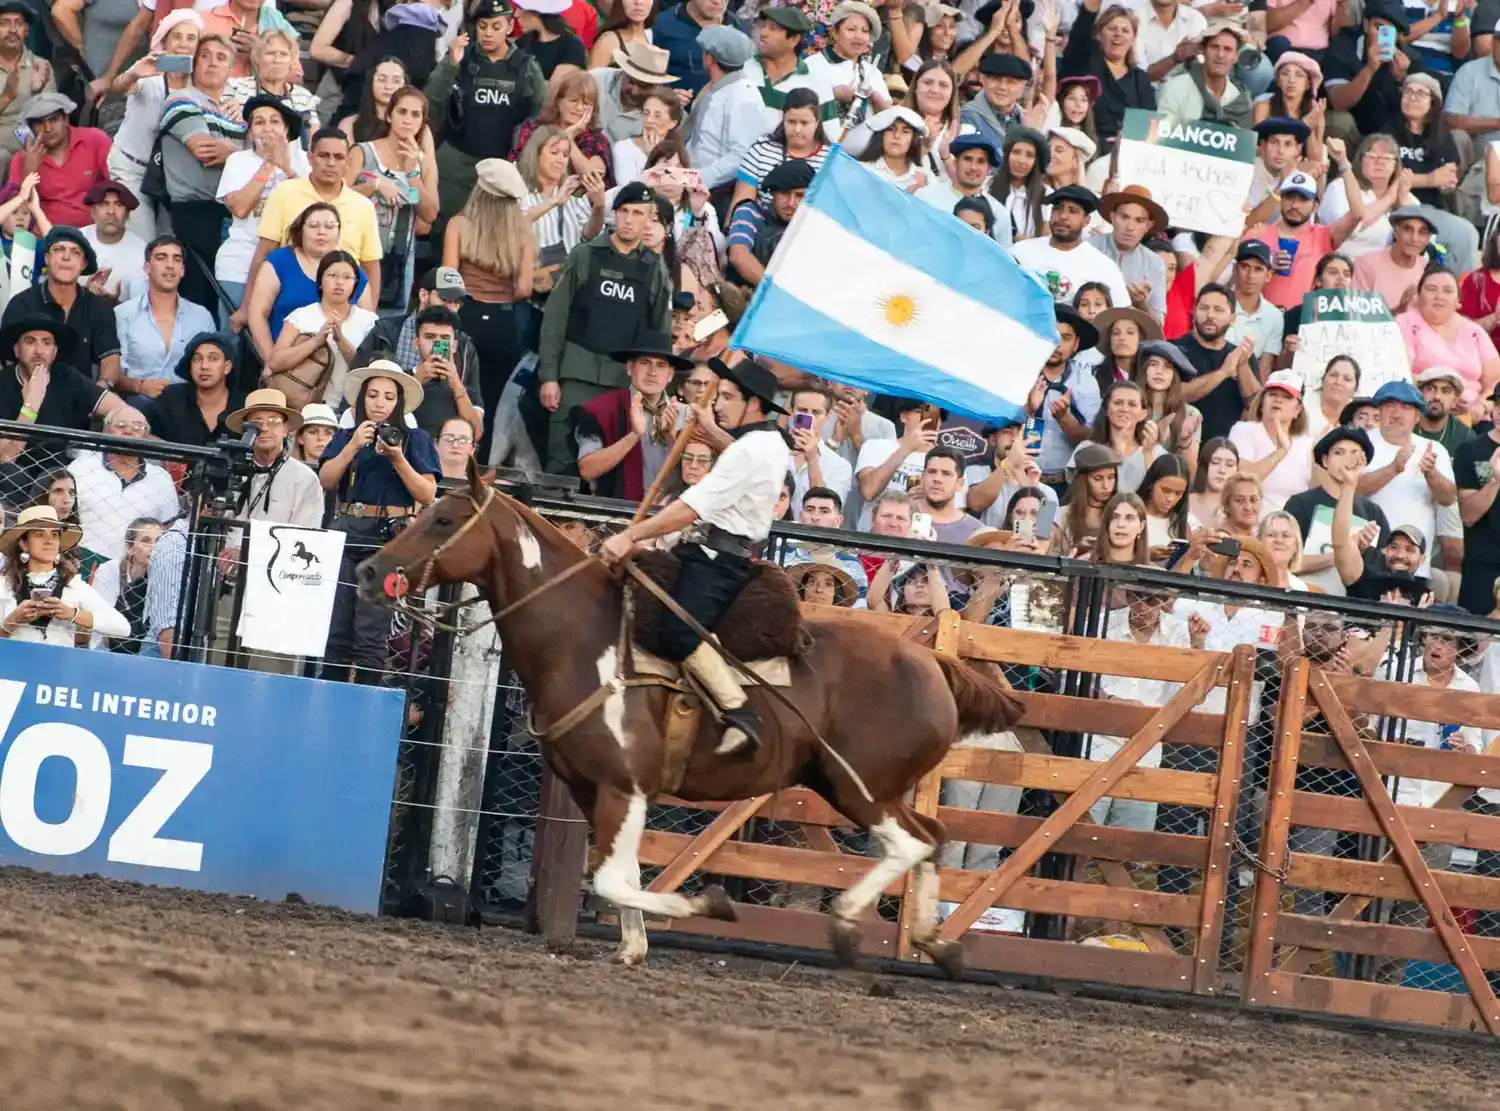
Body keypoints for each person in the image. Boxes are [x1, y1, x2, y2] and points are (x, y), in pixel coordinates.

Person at [598, 358, 790, 756]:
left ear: (753, 404)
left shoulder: (751, 451)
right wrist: (714, 430)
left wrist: (630, 535)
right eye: (718, 396)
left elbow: (688, 509)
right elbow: (738, 453)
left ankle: (739, 711)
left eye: (727, 397)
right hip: (707, 549)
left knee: (678, 631)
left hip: (715, 560)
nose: (718, 403)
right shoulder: (770, 442)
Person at [318, 359, 440, 684]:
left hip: (388, 541)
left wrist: (398, 458)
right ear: (361, 399)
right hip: (347, 533)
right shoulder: (347, 435)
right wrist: (354, 445)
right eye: (373, 395)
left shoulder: (415, 439)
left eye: (388, 396)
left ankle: (364, 713)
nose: (380, 403)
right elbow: (326, 479)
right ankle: (330, 707)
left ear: (399, 402)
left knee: (371, 636)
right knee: (336, 634)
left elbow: (428, 493)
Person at [441, 158, 540, 458]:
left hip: (466, 316)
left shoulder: (459, 224)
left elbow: (449, 279)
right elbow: (524, 288)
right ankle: (481, 462)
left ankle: (450, 455)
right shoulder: (521, 230)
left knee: (457, 390)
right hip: (503, 322)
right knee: (493, 399)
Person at [427, 0, 547, 225]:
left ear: (510, 27)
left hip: (500, 164)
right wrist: (451, 64)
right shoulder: (461, 56)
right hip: (456, 161)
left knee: (491, 232)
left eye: (496, 26)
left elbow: (537, 114)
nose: (488, 34)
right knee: (445, 228)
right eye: (482, 27)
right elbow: (431, 99)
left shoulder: (526, 66)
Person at [246, 128, 383, 317]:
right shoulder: (285, 192)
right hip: (289, 300)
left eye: (338, 157)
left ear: (348, 163)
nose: (331, 163)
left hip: (345, 307)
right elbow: (264, 251)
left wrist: (370, 317)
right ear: (310, 158)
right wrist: (246, 307)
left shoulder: (363, 206)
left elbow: (371, 266)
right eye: (324, 155)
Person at [158, 34, 245, 314]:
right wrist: (242, 152)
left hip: (232, 215)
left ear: (231, 69)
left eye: (221, 58)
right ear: (194, 64)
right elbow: (205, 151)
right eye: (205, 55)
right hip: (194, 215)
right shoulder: (180, 99)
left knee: (230, 304)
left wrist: (232, 151)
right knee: (199, 301)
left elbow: (260, 158)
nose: (212, 63)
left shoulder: (239, 111)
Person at [103, 11, 202, 244]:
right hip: (132, 169)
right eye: (177, 37)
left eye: (191, 38)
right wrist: (133, 74)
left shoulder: (199, 83)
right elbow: (117, 87)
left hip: (170, 176)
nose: (183, 44)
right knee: (144, 239)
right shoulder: (148, 72)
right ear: (165, 41)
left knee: (170, 242)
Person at [215, 94, 310, 323]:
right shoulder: (238, 161)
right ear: (250, 132)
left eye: (275, 121)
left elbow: (310, 212)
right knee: (233, 341)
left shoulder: (305, 162)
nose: (267, 128)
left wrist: (287, 169)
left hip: (289, 266)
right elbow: (239, 208)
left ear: (286, 130)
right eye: (259, 122)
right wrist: (268, 165)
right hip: (239, 263)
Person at [346, 85, 439, 311]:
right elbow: (337, 196)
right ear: (389, 115)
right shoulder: (363, 152)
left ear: (422, 122)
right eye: (402, 112)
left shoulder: (423, 162)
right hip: (355, 253)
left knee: (388, 329)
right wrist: (375, 186)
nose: (408, 120)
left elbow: (429, 214)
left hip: (398, 261)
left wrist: (413, 176)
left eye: (415, 115)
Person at [243, 202, 369, 363]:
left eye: (330, 226)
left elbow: (367, 323)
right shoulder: (280, 261)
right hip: (287, 363)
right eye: (314, 226)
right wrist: (270, 362)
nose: (322, 232)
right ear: (301, 230)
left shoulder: (352, 269)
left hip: (341, 364)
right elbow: (257, 314)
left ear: (338, 233)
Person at [0, 317, 125, 479]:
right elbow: (5, 458)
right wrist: (32, 404)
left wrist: (131, 425)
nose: (39, 350)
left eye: (46, 343)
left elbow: (120, 408)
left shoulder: (66, 376)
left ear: (55, 351)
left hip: (61, 475)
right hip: (14, 478)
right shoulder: (3, 383)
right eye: (30, 342)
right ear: (17, 350)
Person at [573, 330, 690, 498]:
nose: (652, 372)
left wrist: (671, 438)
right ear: (630, 368)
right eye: (645, 362)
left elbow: (696, 474)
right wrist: (634, 435)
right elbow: (587, 470)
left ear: (670, 375)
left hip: (669, 515)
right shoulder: (601, 409)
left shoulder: (687, 415)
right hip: (615, 514)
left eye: (661, 365)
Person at [1358, 378, 1455, 576]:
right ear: (1380, 411)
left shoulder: (1434, 449)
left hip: (1413, 564)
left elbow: (1448, 498)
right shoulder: (1360, 441)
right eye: (1390, 405)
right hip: (1363, 558)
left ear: (1417, 417)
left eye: (1406, 407)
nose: (1397, 413)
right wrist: (1393, 468)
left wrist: (1432, 473)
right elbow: (1349, 490)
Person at [1, 226, 121, 384]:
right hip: (27, 396)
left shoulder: (98, 307)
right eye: (58, 249)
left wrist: (103, 387)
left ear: (84, 263)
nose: (66, 257)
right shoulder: (21, 304)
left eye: (75, 252)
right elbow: (6, 362)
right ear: (46, 258)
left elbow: (110, 359)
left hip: (83, 401)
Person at [266, 249, 379, 410]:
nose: (339, 282)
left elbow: (371, 372)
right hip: (303, 408)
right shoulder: (301, 315)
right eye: (332, 275)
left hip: (351, 409)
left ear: (355, 284)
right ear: (320, 281)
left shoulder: (369, 321)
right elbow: (275, 362)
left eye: (347, 277)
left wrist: (341, 341)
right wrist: (315, 342)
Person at [0, 505, 128, 646]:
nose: (49, 541)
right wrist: (12, 620)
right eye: (39, 534)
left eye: (54, 535)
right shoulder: (4, 585)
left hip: (59, 665)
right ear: (24, 544)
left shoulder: (73, 585)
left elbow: (122, 628)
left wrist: (72, 614)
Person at [1286, 424, 1390, 596]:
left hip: (1355, 606)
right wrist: (1341, 553)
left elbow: (1381, 571)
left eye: (1354, 453)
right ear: (1325, 461)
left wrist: (1360, 552)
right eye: (1339, 453)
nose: (1346, 460)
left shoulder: (1372, 512)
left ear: (1363, 461)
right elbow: (1285, 563)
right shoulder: (1300, 503)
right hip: (1306, 600)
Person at [67, 406, 181, 562]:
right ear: (106, 431)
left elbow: (167, 528)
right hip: (83, 561)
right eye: (121, 426)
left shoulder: (161, 478)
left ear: (146, 436)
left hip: (137, 569)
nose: (128, 432)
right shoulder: (81, 467)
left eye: (137, 428)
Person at [113, 236, 218, 399]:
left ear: (182, 270)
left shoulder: (201, 317)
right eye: (161, 258)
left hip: (188, 406)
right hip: (137, 405)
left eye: (176, 260)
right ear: (146, 267)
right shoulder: (123, 314)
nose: (170, 265)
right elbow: (112, 375)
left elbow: (213, 370)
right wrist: (141, 386)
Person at [1398, 264, 1500, 418]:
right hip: (1420, 410)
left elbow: (1495, 381)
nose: (1439, 296)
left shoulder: (1474, 332)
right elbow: (1400, 372)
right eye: (1431, 289)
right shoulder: (1404, 323)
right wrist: (1442, 400)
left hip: (1473, 417)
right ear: (1418, 296)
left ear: (1458, 301)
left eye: (1448, 291)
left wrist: (1482, 406)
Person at [4, 93, 111, 231]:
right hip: (47, 238)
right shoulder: (21, 159)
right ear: (30, 128)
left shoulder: (94, 140)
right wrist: (28, 171)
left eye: (54, 119)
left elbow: (118, 187)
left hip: (96, 232)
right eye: (39, 123)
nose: (48, 128)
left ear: (66, 119)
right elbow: (18, 216)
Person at [1323, 0, 1425, 143]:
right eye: (1378, 27)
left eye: (1388, 32)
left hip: (1391, 133)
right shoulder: (1343, 45)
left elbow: (1422, 112)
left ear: (1398, 37)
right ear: (1365, 25)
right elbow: (1338, 102)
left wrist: (1402, 80)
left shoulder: (1411, 59)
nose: (1380, 37)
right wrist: (1370, 68)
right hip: (1353, 125)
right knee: (1339, 122)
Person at [1024, 302, 1101, 491]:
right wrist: (1028, 410)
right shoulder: (1020, 372)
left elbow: (1091, 437)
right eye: (1051, 335)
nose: (1056, 344)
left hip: (1064, 484)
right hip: (1017, 477)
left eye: (1065, 338)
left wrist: (1065, 418)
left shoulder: (1085, 380)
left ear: (1075, 345)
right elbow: (999, 430)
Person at [1011, 185, 1129, 307]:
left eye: (1073, 211)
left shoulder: (1103, 266)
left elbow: (1120, 313)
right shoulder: (1021, 251)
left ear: (1086, 221)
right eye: (1058, 208)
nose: (1063, 216)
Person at [683, 25, 766, 200]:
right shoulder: (715, 88)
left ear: (710, 59)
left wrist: (701, 178)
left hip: (716, 192)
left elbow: (742, 155)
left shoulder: (744, 97)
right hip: (691, 183)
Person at [1061, 0, 1155, 148]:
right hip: (1086, 145)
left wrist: (1127, 139)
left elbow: (1150, 125)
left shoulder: (1140, 79)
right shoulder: (1084, 60)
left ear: (1133, 38)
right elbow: (1080, 32)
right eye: (1112, 28)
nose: (1118, 34)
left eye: (1125, 30)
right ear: (1098, 34)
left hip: (1127, 149)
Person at [1177, 284, 1261, 443]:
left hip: (1227, 453)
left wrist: (1242, 366)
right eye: (1204, 308)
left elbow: (1256, 407)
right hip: (1183, 446)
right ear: (1194, 312)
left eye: (1218, 310)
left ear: (1233, 319)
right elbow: (1177, 395)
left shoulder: (1242, 356)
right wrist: (1223, 373)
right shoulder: (1175, 350)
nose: (1210, 315)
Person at [1247, 171, 1336, 311]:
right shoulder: (1257, 234)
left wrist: (1344, 165)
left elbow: (1357, 215)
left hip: (1302, 321)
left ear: (1315, 206)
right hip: (1259, 321)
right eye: (1289, 197)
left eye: (1303, 199)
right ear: (1280, 200)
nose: (1294, 205)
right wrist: (1267, 265)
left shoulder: (1323, 235)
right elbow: (1238, 279)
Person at [1228, 368, 1313, 512]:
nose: (1278, 400)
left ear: (1298, 410)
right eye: (1272, 394)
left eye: (1287, 397)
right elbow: (1242, 481)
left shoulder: (1307, 444)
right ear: (1262, 402)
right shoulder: (1244, 430)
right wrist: (1281, 452)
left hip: (1291, 527)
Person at [731, 86, 828, 212]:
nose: (797, 130)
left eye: (804, 123)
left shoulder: (830, 160)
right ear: (783, 119)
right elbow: (741, 205)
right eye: (792, 122)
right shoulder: (761, 150)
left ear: (817, 122)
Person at [145, 330, 248, 447]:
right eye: (197, 359)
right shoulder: (172, 398)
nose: (204, 366)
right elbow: (143, 432)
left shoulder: (244, 406)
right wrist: (168, 455)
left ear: (227, 367)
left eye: (213, 359)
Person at [725, 156, 811, 288]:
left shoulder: (812, 222)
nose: (791, 203)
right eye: (784, 193)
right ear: (773, 193)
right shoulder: (750, 212)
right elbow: (738, 255)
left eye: (799, 195)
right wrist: (774, 292)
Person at [1088, 185, 1168, 319]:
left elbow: (1159, 325)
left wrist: (1141, 305)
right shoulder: (1089, 248)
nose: (1130, 227)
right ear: (1112, 218)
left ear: (1148, 226)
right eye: (1124, 217)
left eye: (1139, 220)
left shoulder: (1155, 263)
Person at [1072, 379, 1164, 494]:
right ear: (1106, 408)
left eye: (1132, 404)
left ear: (1143, 414)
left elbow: (1159, 493)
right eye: (1118, 402)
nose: (1124, 409)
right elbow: (1077, 493)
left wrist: (1148, 453)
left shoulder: (1156, 453)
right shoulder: (1087, 449)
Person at [1155, 20, 1253, 128]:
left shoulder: (1239, 99)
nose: (1220, 55)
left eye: (1227, 49)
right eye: (1214, 47)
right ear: (1203, 50)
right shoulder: (1174, 88)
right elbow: (1162, 136)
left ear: (1235, 57)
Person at [1455, 396, 1500, 614]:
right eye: (1499, 405)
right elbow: (1468, 515)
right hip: (1482, 564)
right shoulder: (1470, 450)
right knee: (1473, 641)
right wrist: (1495, 480)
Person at [91, 516, 163, 654]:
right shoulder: (109, 570)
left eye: (158, 541)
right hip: (107, 645)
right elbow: (99, 621)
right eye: (145, 541)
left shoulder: (165, 576)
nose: (154, 547)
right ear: (129, 547)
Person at [223, 28, 320, 127]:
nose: (277, 60)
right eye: (270, 53)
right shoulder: (235, 87)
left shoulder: (304, 97)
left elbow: (313, 138)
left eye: (283, 54)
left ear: (291, 62)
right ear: (257, 58)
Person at [1352, 205, 1438, 311]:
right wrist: (1400, 309)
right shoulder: (1367, 263)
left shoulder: (1428, 270)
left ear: (1428, 238)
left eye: (1422, 232)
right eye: (1408, 229)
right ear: (1396, 232)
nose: (1414, 239)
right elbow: (1359, 315)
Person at [0, 1, 53, 166]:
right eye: (4, 24)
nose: (13, 30)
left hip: (28, 137)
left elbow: (51, 119)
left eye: (19, 23)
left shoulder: (41, 66)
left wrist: (37, 96)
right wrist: (6, 96)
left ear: (27, 31)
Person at [786, 385, 852, 513]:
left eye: (816, 413)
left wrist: (812, 460)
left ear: (828, 416)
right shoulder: (771, 449)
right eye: (802, 410)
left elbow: (827, 513)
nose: (809, 418)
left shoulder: (839, 466)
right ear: (790, 412)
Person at [81, 180, 147, 303]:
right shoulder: (76, 241)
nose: (111, 211)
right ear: (92, 211)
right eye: (104, 204)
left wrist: (115, 302)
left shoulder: (141, 251)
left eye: (119, 204)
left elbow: (140, 303)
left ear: (127, 214)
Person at [1051, 441, 1121, 555]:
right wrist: (1076, 549)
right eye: (1098, 479)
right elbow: (1050, 558)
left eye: (1111, 477)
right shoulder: (1061, 516)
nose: (1106, 486)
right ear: (1083, 481)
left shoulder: (1121, 513)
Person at [852, 106, 928, 191]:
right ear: (881, 135)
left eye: (905, 131)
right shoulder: (862, 170)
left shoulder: (926, 178)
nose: (897, 136)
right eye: (891, 129)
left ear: (914, 139)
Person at [1415, 365, 1478, 456]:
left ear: (1455, 401)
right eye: (1430, 389)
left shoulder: (1465, 437)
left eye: (1446, 391)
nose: (1437, 397)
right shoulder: (1404, 426)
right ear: (1420, 394)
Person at [1138, 452, 1191, 554]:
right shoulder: (1130, 514)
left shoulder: (1181, 525)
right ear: (1151, 484)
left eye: (1178, 493)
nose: (1170, 499)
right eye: (1165, 490)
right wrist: (1146, 555)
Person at [1304, 354, 1361, 438]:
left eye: (1347, 379)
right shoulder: (1302, 406)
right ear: (1323, 379)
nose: (1338, 382)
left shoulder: (1358, 414)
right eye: (1333, 375)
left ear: (1355, 388)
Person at [1188, 435, 1238, 530]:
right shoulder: (1185, 502)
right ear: (1203, 465)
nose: (1222, 470)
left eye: (1229, 464)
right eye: (1215, 462)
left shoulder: (1239, 509)